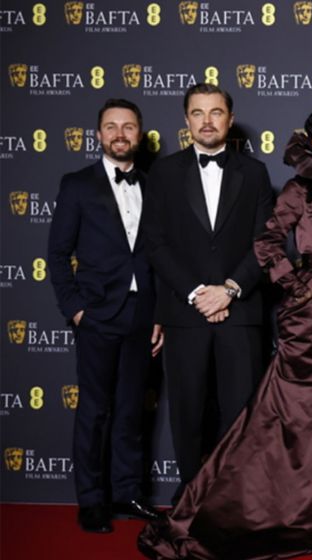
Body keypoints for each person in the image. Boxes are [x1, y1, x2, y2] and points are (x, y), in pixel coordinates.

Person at [138, 110, 312, 558]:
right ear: (309, 144)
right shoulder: (296, 189)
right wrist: (295, 284)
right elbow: (268, 242)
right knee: (304, 413)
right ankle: (295, 501)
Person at [143, 83, 274, 499]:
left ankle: (236, 499)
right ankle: (191, 497)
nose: (207, 121)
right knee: (188, 411)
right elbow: (155, 243)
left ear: (230, 120)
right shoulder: (164, 172)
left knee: (241, 411)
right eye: (198, 113)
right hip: (186, 313)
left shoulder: (254, 173)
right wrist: (199, 292)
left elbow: (265, 243)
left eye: (215, 112)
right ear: (186, 120)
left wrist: (230, 290)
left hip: (241, 312)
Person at [47, 98, 164, 533]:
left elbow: (160, 257)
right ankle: (92, 500)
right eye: (111, 126)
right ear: (98, 135)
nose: (120, 133)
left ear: (140, 134)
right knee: (94, 410)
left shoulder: (154, 185)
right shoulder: (77, 184)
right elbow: (58, 254)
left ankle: (127, 492)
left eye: (128, 126)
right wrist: (75, 309)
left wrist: (160, 314)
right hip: (96, 314)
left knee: (131, 410)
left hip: (142, 315)